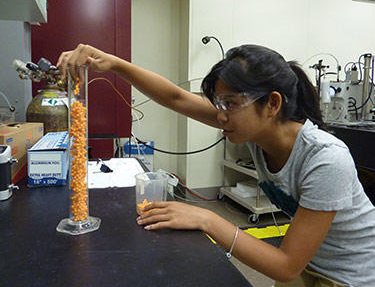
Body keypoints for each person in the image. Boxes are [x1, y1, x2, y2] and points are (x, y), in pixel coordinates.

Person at [57, 44, 375, 286]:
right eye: (218, 103)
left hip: (350, 278)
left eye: (231, 104)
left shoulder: (326, 159)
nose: (220, 115)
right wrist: (114, 64)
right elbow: (177, 98)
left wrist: (208, 220)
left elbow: (285, 265)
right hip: (309, 266)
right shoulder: (254, 127)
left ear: (272, 104)